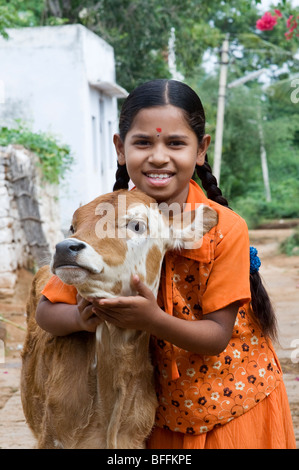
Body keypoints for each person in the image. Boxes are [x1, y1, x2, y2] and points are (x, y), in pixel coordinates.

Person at [36, 79, 296, 449]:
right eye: (143, 142)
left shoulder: (223, 227)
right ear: (120, 149)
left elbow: (216, 336)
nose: (158, 156)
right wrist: (80, 319)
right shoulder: (102, 218)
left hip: (235, 405)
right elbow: (46, 312)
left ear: (201, 149)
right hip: (155, 413)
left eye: (175, 143)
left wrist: (151, 320)